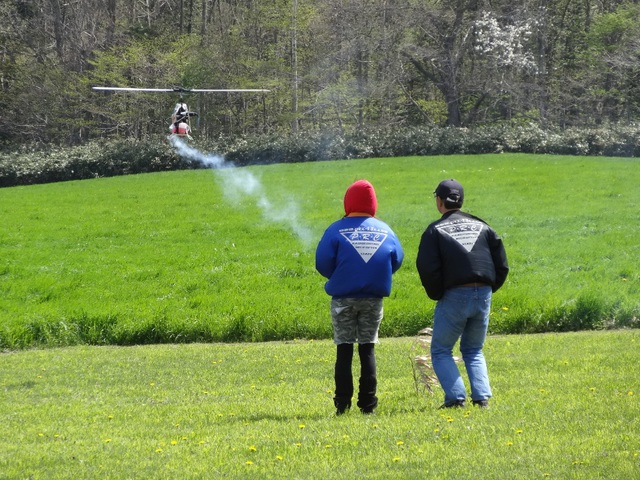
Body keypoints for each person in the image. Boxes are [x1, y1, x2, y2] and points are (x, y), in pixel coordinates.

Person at [416, 179, 508, 409]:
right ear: (461, 200)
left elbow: (427, 267)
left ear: (439, 201)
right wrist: (488, 288)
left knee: (440, 350)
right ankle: (482, 398)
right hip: (484, 293)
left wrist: (438, 293)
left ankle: (456, 399)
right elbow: (502, 264)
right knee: (473, 349)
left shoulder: (434, 230)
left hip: (454, 295)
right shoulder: (483, 226)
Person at [316, 180, 404, 415]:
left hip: (343, 298)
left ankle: (342, 404)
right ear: (373, 204)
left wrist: (339, 273)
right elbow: (396, 260)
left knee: (343, 349)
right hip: (373, 298)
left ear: (348, 202)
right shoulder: (386, 230)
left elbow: (322, 263)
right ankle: (368, 405)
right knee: (367, 349)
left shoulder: (336, 229)